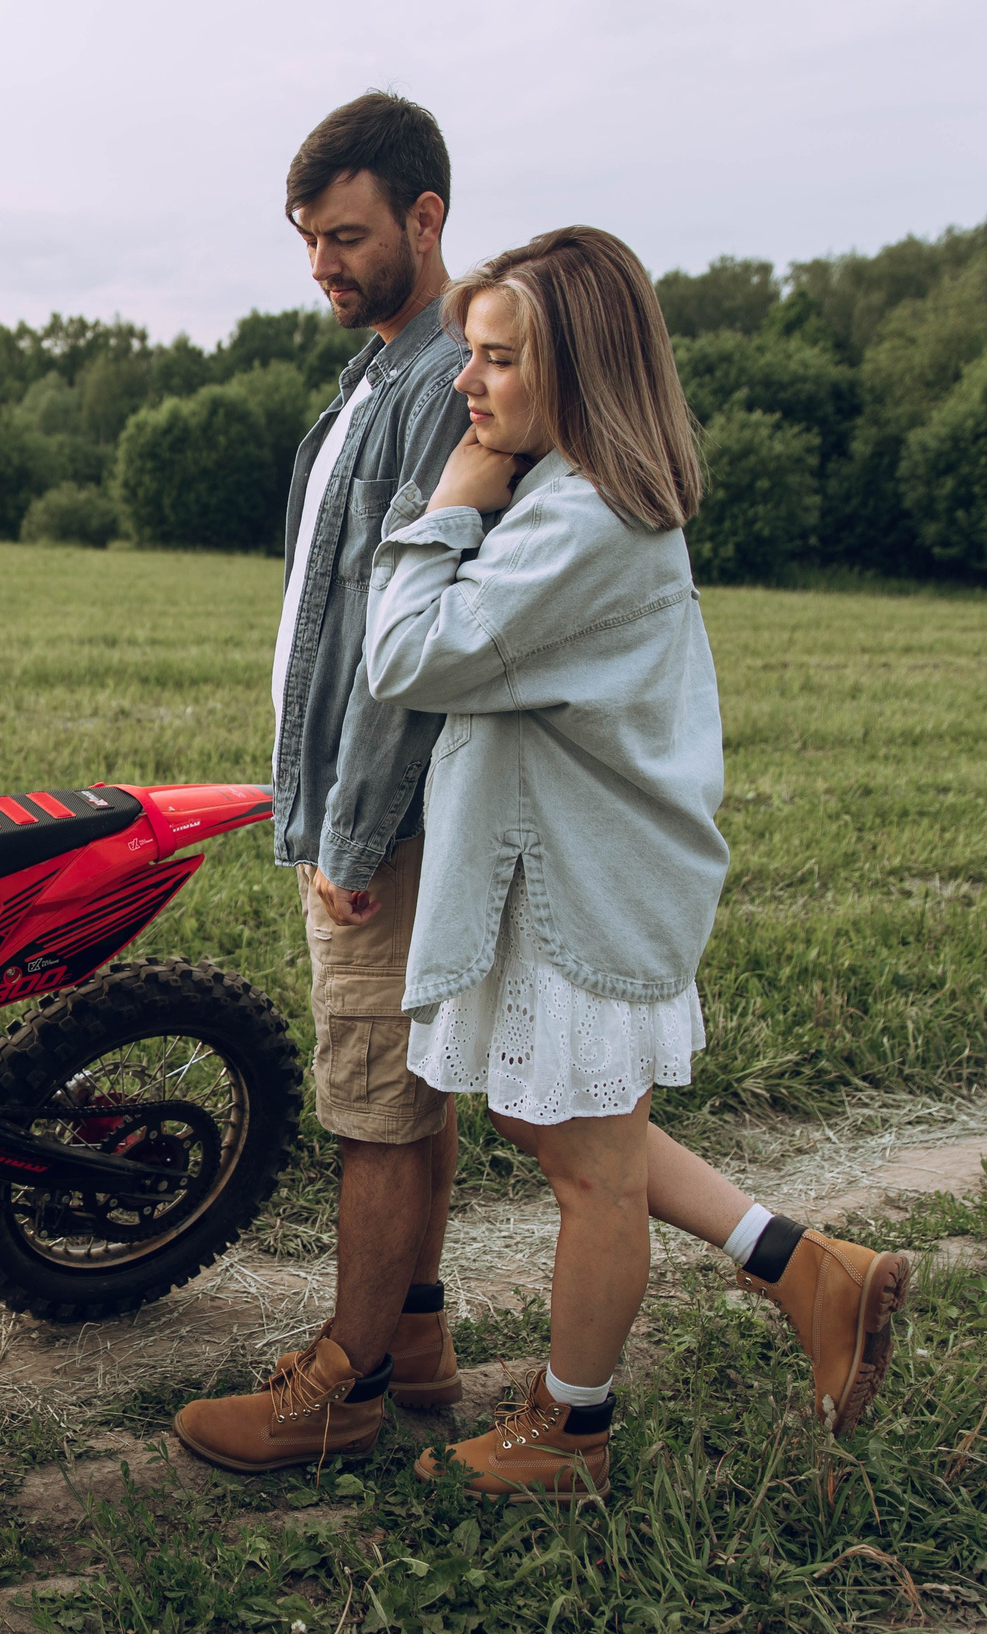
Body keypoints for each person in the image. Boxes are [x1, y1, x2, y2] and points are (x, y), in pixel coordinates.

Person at [362, 227, 911, 1502]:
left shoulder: (588, 517)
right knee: (541, 1110)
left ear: (581, 368)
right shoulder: (565, 493)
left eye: (497, 358)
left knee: (590, 1167)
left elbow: (409, 658)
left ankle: (573, 1429)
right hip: (553, 868)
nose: (468, 383)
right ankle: (797, 1263)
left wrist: (447, 503)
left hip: (581, 883)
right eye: (470, 355)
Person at [173, 91, 480, 1475]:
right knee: (407, 1080)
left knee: (374, 1099)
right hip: (352, 801)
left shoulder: (440, 383)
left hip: (387, 814)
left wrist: (352, 831)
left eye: (347, 235)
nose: (323, 266)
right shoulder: (372, 376)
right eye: (308, 241)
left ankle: (343, 1383)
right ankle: (412, 1335)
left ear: (426, 216)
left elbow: (404, 640)